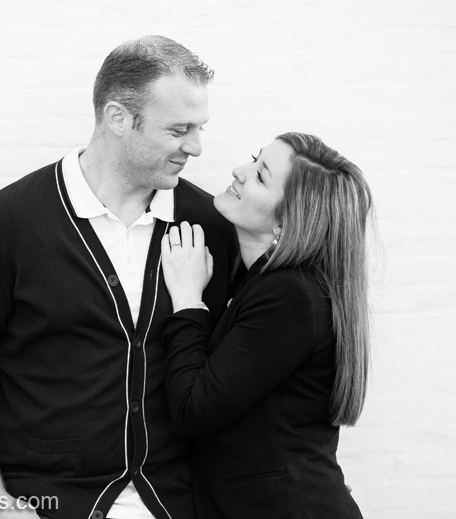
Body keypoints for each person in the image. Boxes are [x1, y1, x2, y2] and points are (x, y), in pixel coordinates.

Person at [0, 36, 237, 519]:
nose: (195, 147)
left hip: (177, 502)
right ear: (117, 118)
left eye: (199, 128)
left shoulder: (205, 223)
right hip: (48, 503)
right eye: (179, 129)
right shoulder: (15, 220)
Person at [159, 132, 371, 518]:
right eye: (254, 160)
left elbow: (193, 409)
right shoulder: (264, 282)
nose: (239, 172)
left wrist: (188, 300)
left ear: (288, 219)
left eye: (260, 176)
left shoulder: (289, 296)